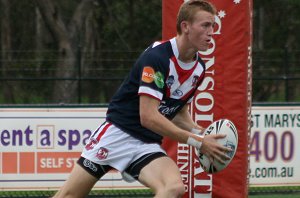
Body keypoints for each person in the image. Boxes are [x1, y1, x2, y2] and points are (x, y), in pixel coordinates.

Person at [54, 0, 231, 197]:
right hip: (117, 134)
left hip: (146, 143)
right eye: (205, 25)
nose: (211, 32)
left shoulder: (199, 69)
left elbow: (177, 112)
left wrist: (203, 133)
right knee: (68, 196)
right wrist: (198, 141)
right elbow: (148, 117)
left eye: (213, 26)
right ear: (186, 26)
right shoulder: (157, 58)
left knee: (173, 188)